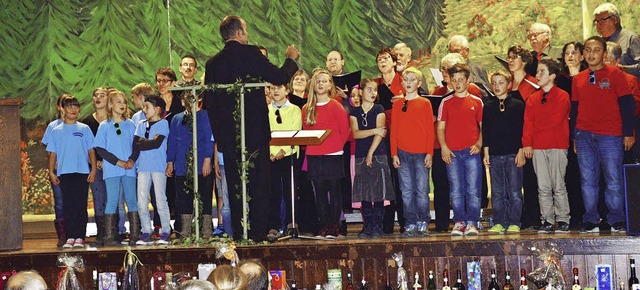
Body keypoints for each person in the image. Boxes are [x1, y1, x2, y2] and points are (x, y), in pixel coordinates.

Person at [204, 15, 299, 241]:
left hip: (228, 136)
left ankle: (239, 233)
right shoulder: (251, 53)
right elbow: (278, 77)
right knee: (259, 185)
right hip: (254, 132)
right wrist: (290, 59)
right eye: (245, 30)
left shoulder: (213, 63)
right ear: (239, 33)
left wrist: (221, 137)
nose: (247, 34)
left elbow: (210, 105)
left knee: (236, 185)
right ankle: (257, 233)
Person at [573, 36, 635, 233]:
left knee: (613, 179)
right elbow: (574, 109)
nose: (592, 53)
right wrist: (574, 136)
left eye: (597, 50)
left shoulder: (616, 74)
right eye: (588, 50)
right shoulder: (577, 79)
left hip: (610, 135)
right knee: (587, 180)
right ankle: (590, 218)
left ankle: (616, 218)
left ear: (604, 54)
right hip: (583, 135)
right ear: (583, 54)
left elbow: (627, 105)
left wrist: (628, 133)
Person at [523, 59, 571, 234]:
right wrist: (527, 143)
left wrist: (536, 127)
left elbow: (555, 120)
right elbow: (528, 122)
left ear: (552, 76)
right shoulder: (532, 99)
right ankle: (547, 219)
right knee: (542, 186)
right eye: (537, 72)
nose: (537, 75)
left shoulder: (563, 96)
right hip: (538, 147)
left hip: (557, 144)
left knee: (558, 184)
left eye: (542, 72)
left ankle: (563, 218)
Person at [302, 69, 350, 238]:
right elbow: (306, 132)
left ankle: (333, 226)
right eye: (318, 81)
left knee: (335, 191)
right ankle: (323, 226)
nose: (321, 84)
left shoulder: (336, 106)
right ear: (313, 85)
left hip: (333, 155)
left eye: (324, 81)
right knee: (320, 193)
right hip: (314, 155)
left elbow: (345, 131)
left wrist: (334, 147)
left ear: (330, 85)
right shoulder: (307, 108)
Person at [437, 64, 484, 236]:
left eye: (461, 80)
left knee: (473, 189)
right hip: (453, 153)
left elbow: (482, 126)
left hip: (471, 152)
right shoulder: (445, 102)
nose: (457, 84)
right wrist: (444, 147)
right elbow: (440, 127)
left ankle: (472, 222)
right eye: (454, 80)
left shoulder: (477, 102)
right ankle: (459, 222)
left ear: (468, 80)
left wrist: (478, 144)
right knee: (456, 189)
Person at [47, 95, 97, 249]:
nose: (73, 109)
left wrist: (93, 169)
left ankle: (80, 236)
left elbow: (91, 151)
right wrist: (51, 172)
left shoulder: (84, 128)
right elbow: (52, 153)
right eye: (70, 106)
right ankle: (70, 237)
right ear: (62, 109)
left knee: (80, 205)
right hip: (64, 174)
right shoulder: (56, 130)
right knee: (68, 205)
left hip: (82, 172)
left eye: (76, 106)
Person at [391, 68, 434, 237]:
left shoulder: (425, 103)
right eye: (406, 79)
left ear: (419, 83)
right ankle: (410, 222)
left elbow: (430, 130)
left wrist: (429, 153)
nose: (409, 82)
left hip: (421, 153)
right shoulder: (397, 104)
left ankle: (423, 221)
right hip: (402, 153)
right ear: (402, 83)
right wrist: (394, 153)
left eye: (413, 79)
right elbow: (393, 130)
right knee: (406, 190)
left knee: (422, 190)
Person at [350, 78, 394, 238]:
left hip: (378, 154)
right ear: (361, 92)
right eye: (369, 90)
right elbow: (356, 133)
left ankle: (377, 226)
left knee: (379, 191)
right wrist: (373, 130)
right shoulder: (354, 111)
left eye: (375, 90)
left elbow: (381, 132)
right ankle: (367, 226)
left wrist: (371, 152)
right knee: (365, 192)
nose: (373, 93)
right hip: (361, 156)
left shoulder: (379, 108)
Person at [167, 93, 215, 240]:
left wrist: (207, 159)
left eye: (193, 97)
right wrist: (170, 162)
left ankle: (206, 230)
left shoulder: (206, 116)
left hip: (202, 164)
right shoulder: (177, 118)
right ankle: (185, 230)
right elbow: (172, 141)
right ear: (182, 102)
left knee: (204, 196)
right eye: (185, 99)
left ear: (199, 99)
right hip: (182, 166)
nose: (189, 101)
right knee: (183, 198)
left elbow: (209, 138)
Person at [94, 89, 139, 246]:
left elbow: (137, 145)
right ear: (111, 105)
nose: (122, 104)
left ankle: (134, 235)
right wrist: (118, 162)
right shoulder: (104, 126)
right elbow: (100, 149)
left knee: (132, 201)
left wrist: (132, 160)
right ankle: (109, 236)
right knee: (112, 201)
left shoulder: (131, 124)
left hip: (129, 169)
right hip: (112, 170)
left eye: (124, 102)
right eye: (119, 101)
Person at [483, 70, 525, 234]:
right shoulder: (488, 106)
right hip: (495, 154)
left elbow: (522, 130)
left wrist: (521, 150)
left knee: (514, 191)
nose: (497, 86)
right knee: (497, 191)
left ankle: (514, 221)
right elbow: (485, 131)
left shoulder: (518, 105)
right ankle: (499, 221)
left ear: (508, 85)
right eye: (494, 83)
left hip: (513, 154)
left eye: (501, 83)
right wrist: (486, 152)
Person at [507, 44, 542, 230]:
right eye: (509, 57)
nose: (511, 60)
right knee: (511, 183)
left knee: (530, 180)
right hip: (509, 138)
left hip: (528, 139)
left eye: (515, 57)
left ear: (525, 61)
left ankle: (532, 218)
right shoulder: (506, 82)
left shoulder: (534, 84)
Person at [557, 41, 588, 229]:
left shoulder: (587, 78)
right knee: (569, 175)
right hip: (564, 133)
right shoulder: (560, 81)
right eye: (567, 52)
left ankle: (589, 214)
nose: (570, 56)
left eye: (574, 52)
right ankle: (573, 215)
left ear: (582, 56)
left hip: (585, 130)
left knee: (587, 174)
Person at [266, 83, 302, 241]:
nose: (275, 91)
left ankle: (290, 223)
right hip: (271, 157)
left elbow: (296, 131)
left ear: (287, 90)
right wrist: (272, 153)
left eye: (279, 88)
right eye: (272, 88)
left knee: (290, 191)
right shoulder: (265, 110)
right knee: (273, 192)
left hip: (290, 156)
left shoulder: (294, 109)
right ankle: (273, 225)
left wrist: (283, 151)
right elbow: (263, 133)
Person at [134, 95, 171, 245]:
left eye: (147, 107)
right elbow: (136, 144)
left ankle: (166, 230)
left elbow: (156, 144)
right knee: (141, 201)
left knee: (160, 199)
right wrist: (145, 141)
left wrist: (144, 141)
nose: (144, 110)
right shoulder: (140, 124)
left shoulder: (163, 124)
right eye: (143, 107)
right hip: (142, 167)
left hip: (158, 167)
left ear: (157, 109)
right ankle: (146, 230)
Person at [81, 88, 110, 247]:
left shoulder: (114, 120)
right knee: (99, 199)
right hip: (94, 167)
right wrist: (95, 163)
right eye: (96, 96)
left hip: (113, 166)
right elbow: (86, 147)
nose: (98, 98)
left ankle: (113, 232)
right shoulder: (87, 122)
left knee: (113, 199)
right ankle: (101, 233)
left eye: (102, 95)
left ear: (108, 99)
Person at [605, 41, 640, 164]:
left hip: (622, 134)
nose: (603, 63)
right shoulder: (592, 79)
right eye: (601, 59)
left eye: (607, 59)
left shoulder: (630, 80)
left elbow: (634, 109)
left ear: (617, 60)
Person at [41, 94, 69, 248]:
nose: (67, 108)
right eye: (63, 104)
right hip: (58, 170)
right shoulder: (53, 126)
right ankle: (62, 234)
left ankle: (75, 233)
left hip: (74, 171)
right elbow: (49, 150)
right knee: (60, 203)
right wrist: (52, 169)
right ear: (58, 107)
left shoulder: (78, 126)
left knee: (74, 202)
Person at [593, 3, 640, 80]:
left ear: (615, 19)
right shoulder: (598, 43)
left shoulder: (631, 38)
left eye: (602, 20)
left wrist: (621, 68)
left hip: (629, 87)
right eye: (596, 21)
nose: (598, 25)